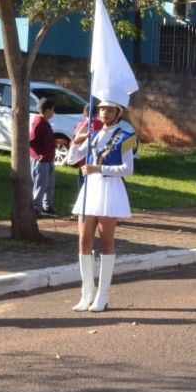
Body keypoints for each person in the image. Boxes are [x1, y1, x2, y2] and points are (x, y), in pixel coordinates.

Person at [66, 100, 138, 312]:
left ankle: (103, 295)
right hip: (90, 189)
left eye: (109, 109)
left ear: (119, 112)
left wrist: (99, 168)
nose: (105, 113)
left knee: (106, 242)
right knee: (83, 241)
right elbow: (71, 160)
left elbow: (128, 169)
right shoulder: (93, 135)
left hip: (109, 189)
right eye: (102, 109)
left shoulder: (125, 137)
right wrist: (76, 142)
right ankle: (86, 293)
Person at [29, 98, 57, 218]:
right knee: (40, 183)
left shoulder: (46, 122)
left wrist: (55, 141)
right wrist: (39, 153)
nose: (53, 113)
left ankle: (46, 206)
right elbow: (31, 140)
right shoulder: (38, 122)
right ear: (46, 110)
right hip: (41, 160)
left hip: (49, 159)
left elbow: (45, 139)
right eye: (52, 110)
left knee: (49, 184)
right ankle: (35, 207)